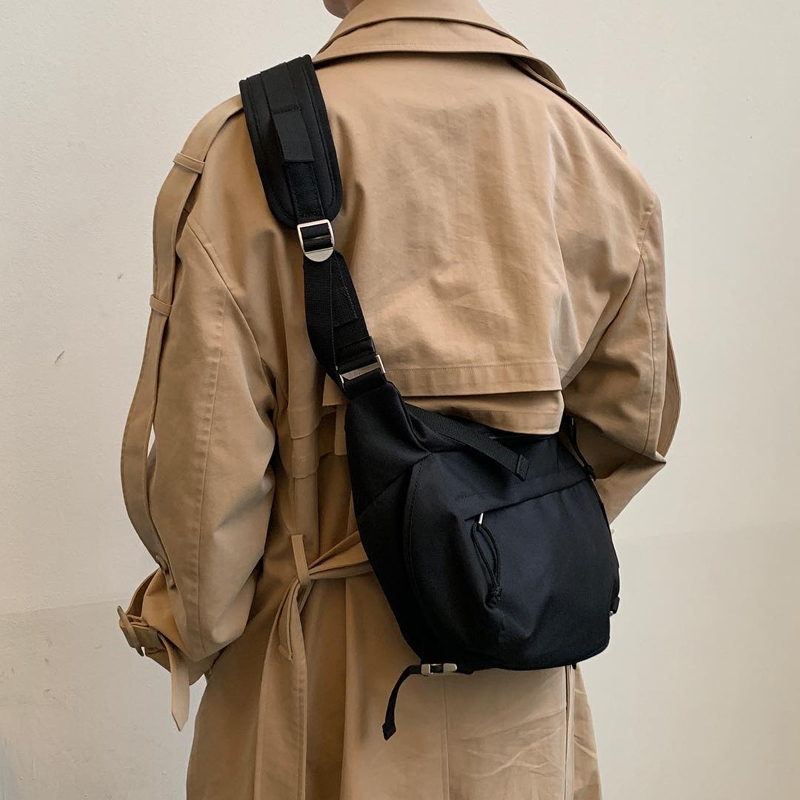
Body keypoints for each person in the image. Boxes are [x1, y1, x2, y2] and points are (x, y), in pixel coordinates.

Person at [117, 0, 681, 798]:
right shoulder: (587, 151)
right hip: (519, 688)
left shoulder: (250, 148)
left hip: (316, 684)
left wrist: (183, 628)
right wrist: (490, 553)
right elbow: (633, 430)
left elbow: (209, 483)